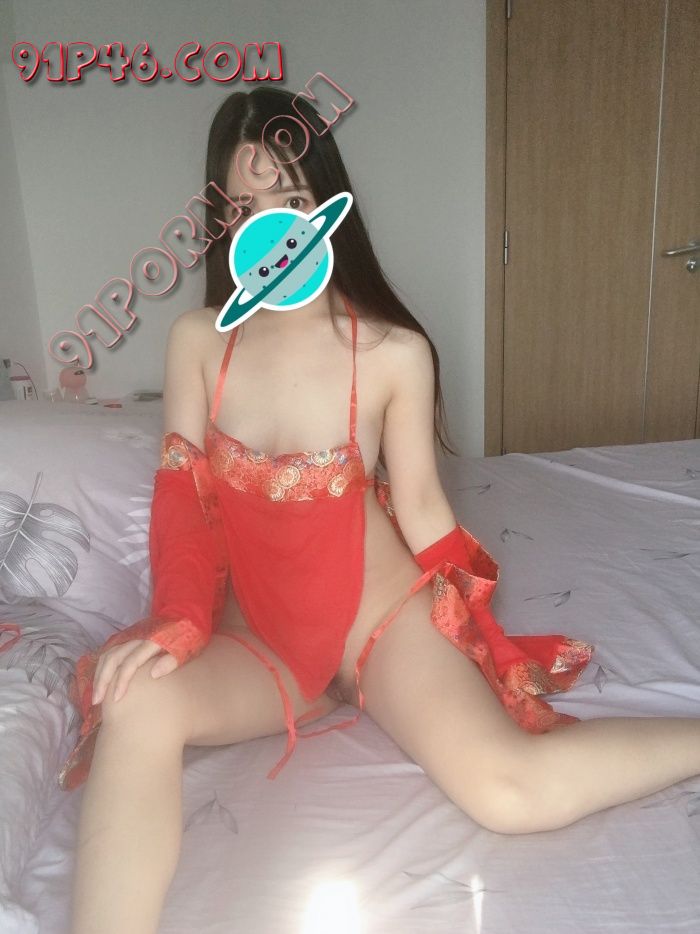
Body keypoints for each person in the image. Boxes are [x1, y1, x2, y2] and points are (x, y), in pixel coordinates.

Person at [64, 88, 700, 934]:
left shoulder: (395, 353)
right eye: (245, 208)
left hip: (378, 622)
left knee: (508, 793)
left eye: (292, 200)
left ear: (329, 207)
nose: (272, 230)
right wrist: (180, 618)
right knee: (136, 703)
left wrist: (483, 639)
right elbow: (182, 496)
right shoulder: (199, 340)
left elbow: (426, 508)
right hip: (259, 640)